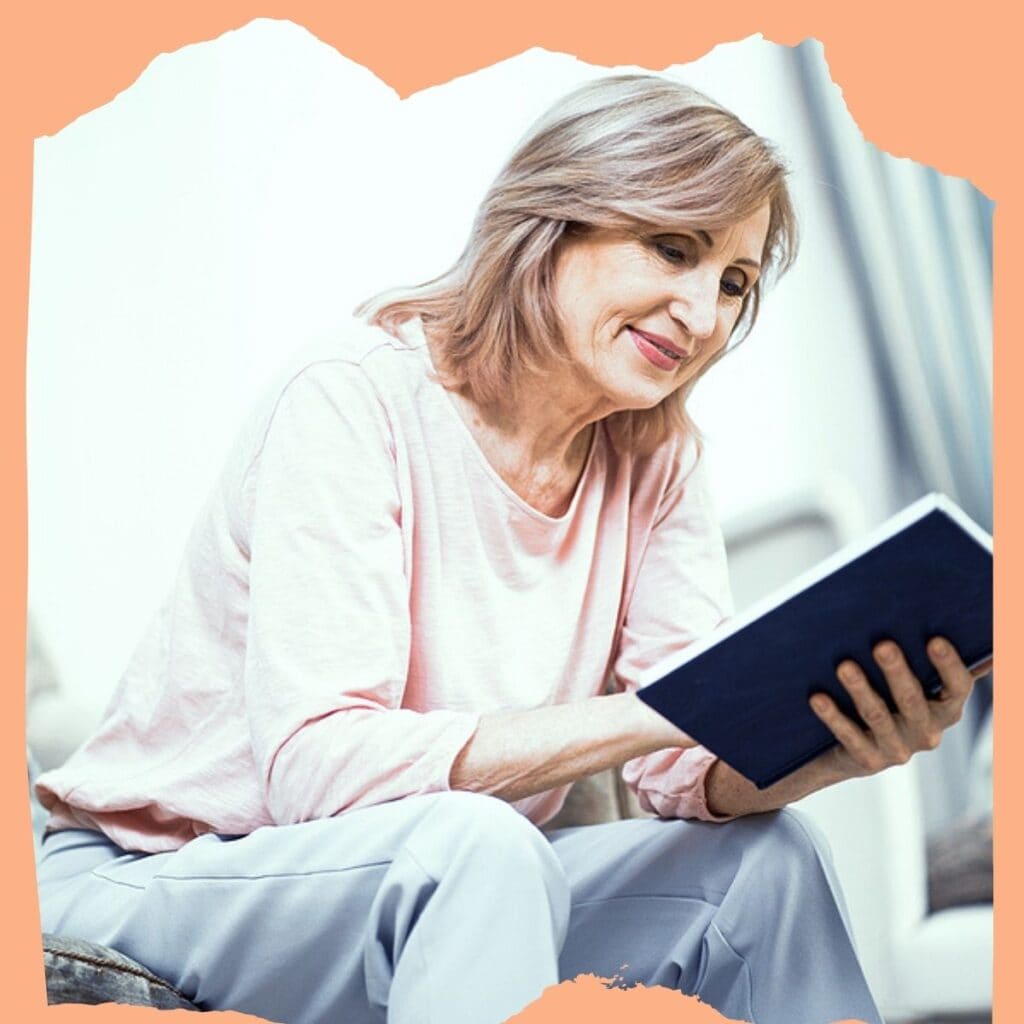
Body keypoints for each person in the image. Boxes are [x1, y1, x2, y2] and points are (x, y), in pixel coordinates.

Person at [34, 74, 982, 1024]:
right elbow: (321, 770)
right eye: (673, 248)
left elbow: (678, 776)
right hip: (155, 878)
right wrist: (668, 711)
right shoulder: (351, 397)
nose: (702, 313)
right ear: (553, 219)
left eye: (733, 283)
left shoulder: (658, 461)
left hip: (451, 884)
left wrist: (831, 748)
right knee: (474, 847)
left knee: (768, 863)